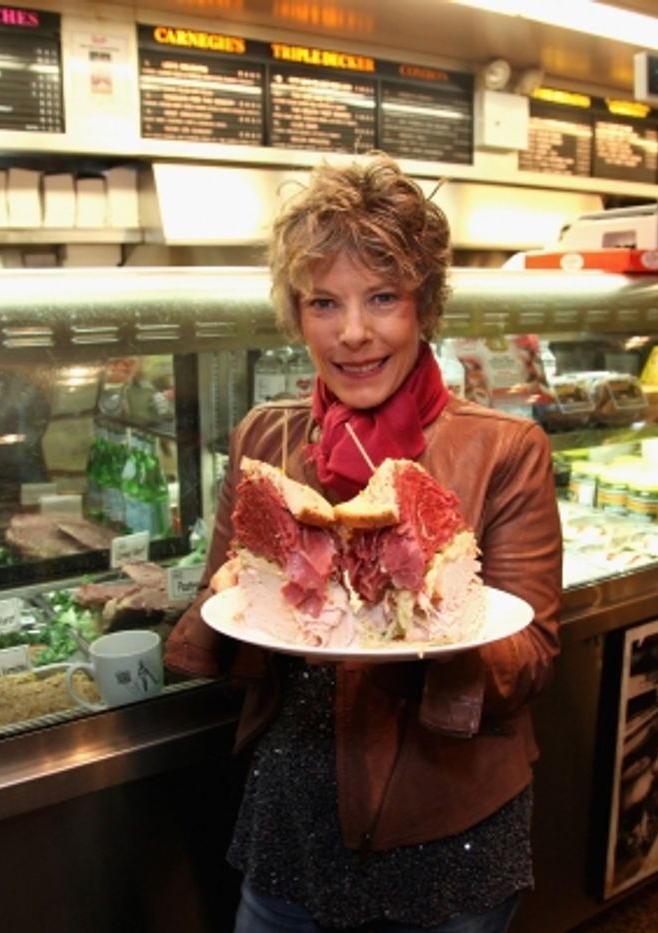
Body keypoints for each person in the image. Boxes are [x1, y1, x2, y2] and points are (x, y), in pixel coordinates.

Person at [165, 153, 563, 932]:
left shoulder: (506, 447)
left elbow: (534, 660)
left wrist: (435, 615)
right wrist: (232, 600)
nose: (352, 334)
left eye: (383, 297)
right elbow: (229, 635)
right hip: (294, 811)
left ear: (424, 305)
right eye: (323, 302)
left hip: (449, 822)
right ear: (296, 312)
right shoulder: (266, 436)